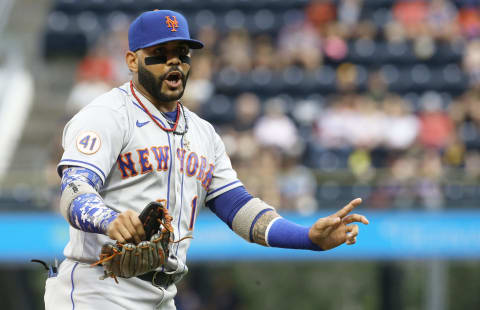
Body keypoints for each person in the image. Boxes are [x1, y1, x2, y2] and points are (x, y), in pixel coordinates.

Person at [44, 9, 369, 310]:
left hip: (163, 295)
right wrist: (107, 218)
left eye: (182, 55)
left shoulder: (203, 134)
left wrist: (307, 237)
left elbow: (238, 208)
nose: (174, 63)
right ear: (132, 60)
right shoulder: (107, 115)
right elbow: (74, 189)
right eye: (160, 54)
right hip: (97, 291)